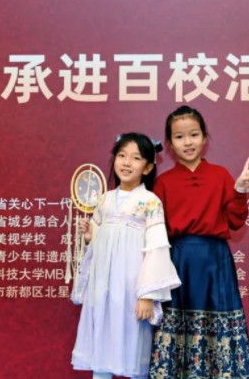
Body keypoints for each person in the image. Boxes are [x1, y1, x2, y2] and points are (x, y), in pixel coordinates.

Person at [149, 105, 249, 379]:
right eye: (179, 137)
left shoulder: (220, 175)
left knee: (218, 321)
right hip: (178, 262)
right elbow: (153, 231)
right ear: (170, 143)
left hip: (215, 261)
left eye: (194, 134)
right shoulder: (163, 183)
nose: (188, 142)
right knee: (177, 325)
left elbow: (235, 221)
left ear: (204, 137)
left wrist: (240, 191)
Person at [72, 133, 181, 379]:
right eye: (121, 156)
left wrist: (147, 295)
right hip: (103, 286)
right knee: (100, 342)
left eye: (136, 158)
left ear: (148, 167)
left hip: (132, 287)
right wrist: (91, 237)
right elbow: (101, 241)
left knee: (133, 346)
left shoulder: (150, 202)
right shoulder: (105, 199)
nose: (126, 163)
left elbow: (156, 249)